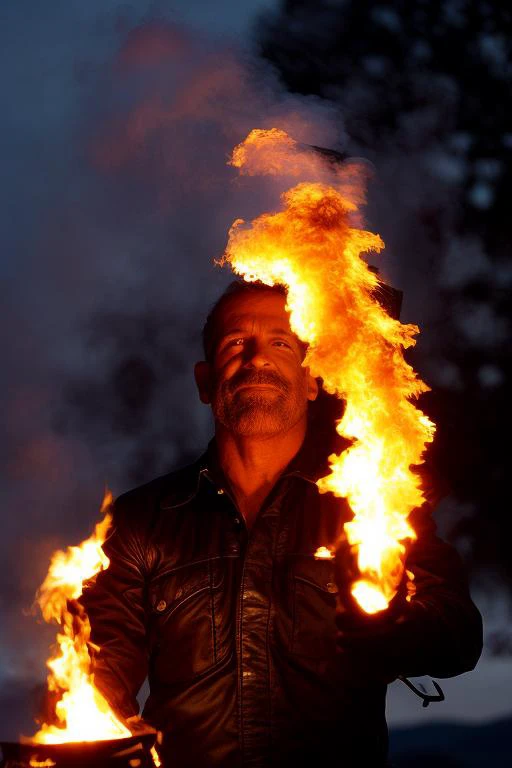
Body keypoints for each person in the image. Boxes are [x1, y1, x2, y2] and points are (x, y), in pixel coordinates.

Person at [81, 280, 483, 768]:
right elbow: (97, 674)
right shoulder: (140, 521)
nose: (257, 358)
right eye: (235, 343)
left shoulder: (376, 501)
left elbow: (458, 637)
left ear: (313, 378)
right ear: (205, 381)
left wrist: (394, 630)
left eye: (281, 342)